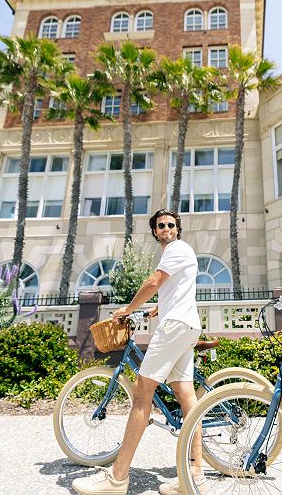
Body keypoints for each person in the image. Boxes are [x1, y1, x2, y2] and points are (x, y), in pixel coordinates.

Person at [73, 209, 204, 495]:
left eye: (171, 224)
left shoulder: (177, 248)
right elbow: (177, 289)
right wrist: (156, 308)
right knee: (187, 398)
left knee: (141, 396)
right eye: (161, 225)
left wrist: (128, 309)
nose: (166, 228)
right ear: (155, 231)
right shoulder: (178, 253)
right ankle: (195, 475)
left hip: (174, 327)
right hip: (187, 325)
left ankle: (117, 479)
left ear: (177, 229)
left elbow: (154, 282)